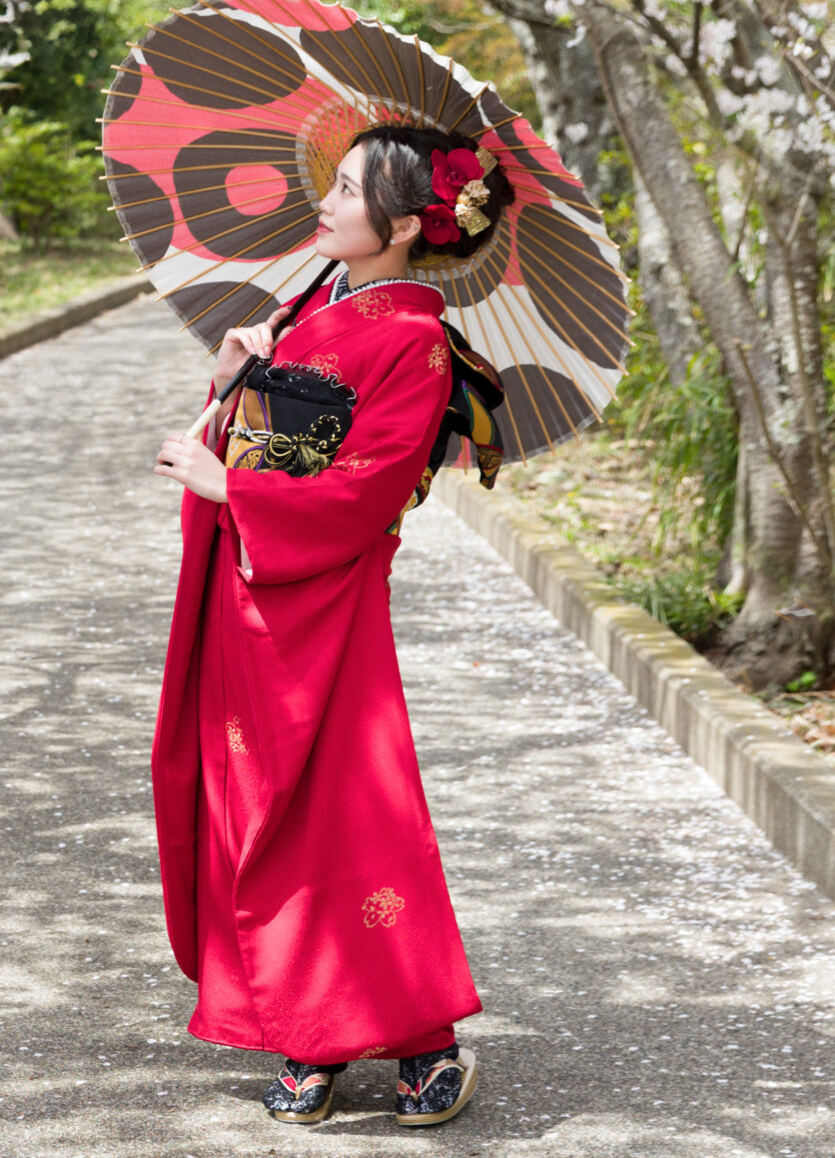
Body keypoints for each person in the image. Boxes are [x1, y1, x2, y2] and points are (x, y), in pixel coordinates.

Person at [147, 125, 514, 1128]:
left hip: (326, 595)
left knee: (352, 812)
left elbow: (366, 489)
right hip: (250, 590)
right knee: (252, 800)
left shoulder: (412, 339)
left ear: (401, 227)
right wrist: (230, 381)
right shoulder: (311, 308)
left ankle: (421, 1037)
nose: (327, 200)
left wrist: (234, 486)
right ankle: (308, 1032)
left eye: (347, 190)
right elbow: (255, 446)